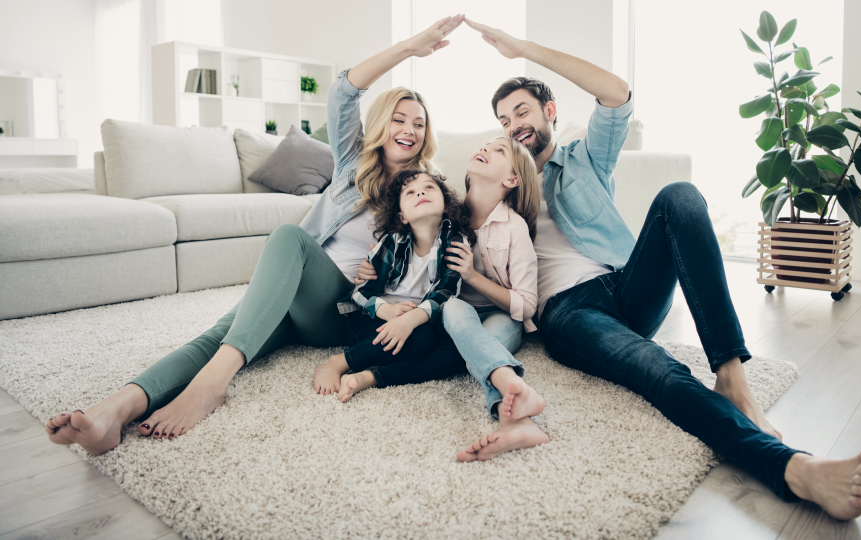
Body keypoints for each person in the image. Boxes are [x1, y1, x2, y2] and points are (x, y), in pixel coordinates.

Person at [448, 18, 861, 520]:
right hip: (567, 313)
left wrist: (522, 49)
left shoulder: (584, 159)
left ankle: (731, 373)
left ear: (549, 111)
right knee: (660, 370)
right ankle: (793, 470)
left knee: (680, 195)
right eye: (503, 122)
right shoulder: (501, 186)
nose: (512, 126)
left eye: (521, 111)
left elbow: (616, 94)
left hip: (625, 284)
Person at [44, 15, 466, 455]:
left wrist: (385, 286)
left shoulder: (426, 188)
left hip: (343, 308)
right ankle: (114, 410)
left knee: (287, 236)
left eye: (419, 123)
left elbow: (435, 257)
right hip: (298, 292)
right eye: (399, 119)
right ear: (382, 125)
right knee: (220, 336)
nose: (409, 131)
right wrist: (409, 47)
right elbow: (343, 91)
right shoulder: (353, 165)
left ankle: (212, 385)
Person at [354, 136, 550, 459]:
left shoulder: (514, 229)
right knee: (457, 312)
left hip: (502, 316)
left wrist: (473, 276)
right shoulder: (445, 212)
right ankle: (518, 414)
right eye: (487, 145)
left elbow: (527, 305)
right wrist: (371, 269)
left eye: (499, 150)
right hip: (453, 313)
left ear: (511, 180)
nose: (486, 148)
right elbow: (408, 249)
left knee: (477, 348)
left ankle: (513, 418)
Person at [312, 169, 469, 398]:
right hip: (374, 320)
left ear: (445, 204)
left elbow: (447, 291)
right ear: (402, 216)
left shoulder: (455, 241)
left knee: (455, 353)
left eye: (429, 188)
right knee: (422, 340)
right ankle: (339, 362)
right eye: (410, 192)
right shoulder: (392, 242)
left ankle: (370, 377)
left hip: (421, 321)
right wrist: (388, 311)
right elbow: (361, 292)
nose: (420, 193)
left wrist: (410, 320)